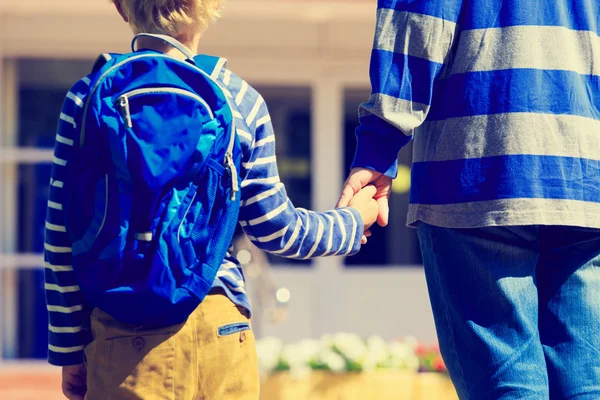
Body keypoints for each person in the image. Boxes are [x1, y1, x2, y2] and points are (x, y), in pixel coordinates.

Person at [44, 1, 379, 399]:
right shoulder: (240, 100)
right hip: (220, 324)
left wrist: (69, 350)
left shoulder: (87, 98)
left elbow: (61, 237)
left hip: (122, 330)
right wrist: (353, 221)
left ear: (121, 7)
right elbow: (278, 230)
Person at [338, 0, 600, 398]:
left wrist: (378, 149)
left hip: (479, 175)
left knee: (508, 387)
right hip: (585, 181)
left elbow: (420, 22)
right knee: (586, 384)